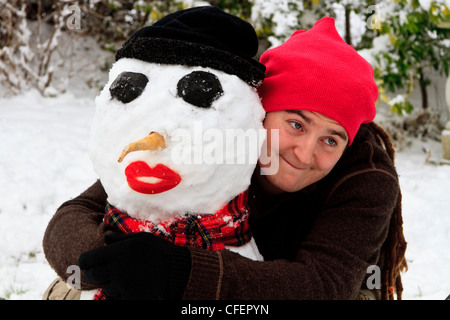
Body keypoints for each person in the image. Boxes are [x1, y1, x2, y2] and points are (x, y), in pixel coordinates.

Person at [42, 12, 407, 300]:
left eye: (331, 140)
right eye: (296, 124)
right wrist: (112, 264)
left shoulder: (367, 179)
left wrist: (177, 273)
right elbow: (76, 213)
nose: (305, 152)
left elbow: (323, 284)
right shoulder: (223, 132)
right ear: (259, 111)